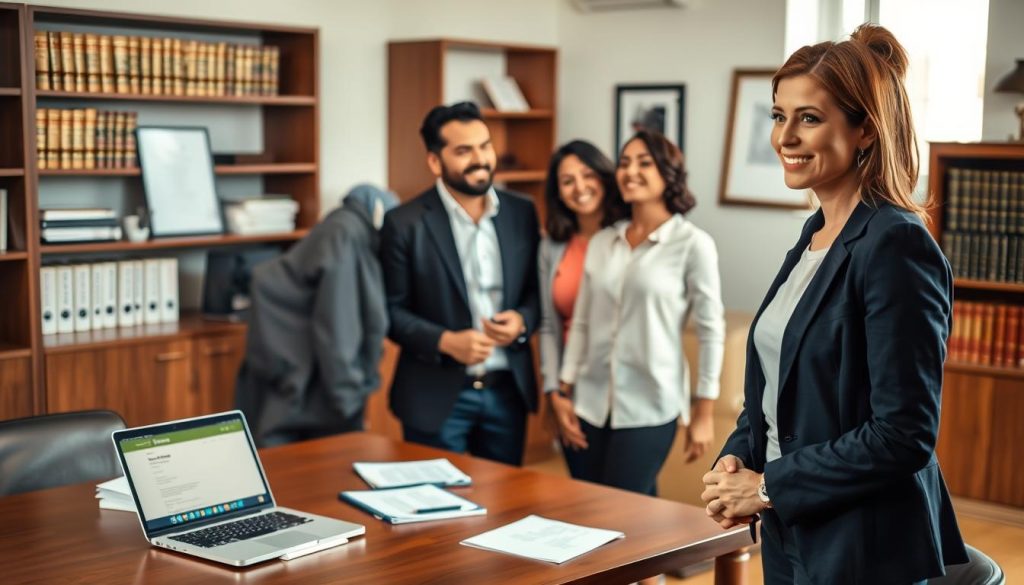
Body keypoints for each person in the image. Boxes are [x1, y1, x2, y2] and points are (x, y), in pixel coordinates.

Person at [700, 24, 968, 585]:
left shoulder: (895, 244)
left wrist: (768, 485)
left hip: (862, 546)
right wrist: (737, 461)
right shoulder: (815, 235)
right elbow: (776, 391)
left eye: (810, 118)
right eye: (779, 116)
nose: (786, 138)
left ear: (865, 130)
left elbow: (903, 435)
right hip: (788, 527)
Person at [557, 128, 725, 495]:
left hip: (651, 405)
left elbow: (712, 331)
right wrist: (563, 391)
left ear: (668, 174)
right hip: (588, 403)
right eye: (624, 162)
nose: (630, 171)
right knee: (588, 506)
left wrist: (703, 412)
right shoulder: (603, 241)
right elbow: (583, 323)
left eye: (644, 163)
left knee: (623, 507)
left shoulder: (693, 245)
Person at [380, 101, 540, 466]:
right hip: (435, 395)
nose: (480, 159)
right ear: (435, 162)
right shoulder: (403, 223)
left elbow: (534, 291)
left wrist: (522, 321)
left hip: (507, 391)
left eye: (485, 145)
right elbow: (390, 311)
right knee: (433, 513)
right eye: (464, 151)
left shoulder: (522, 212)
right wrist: (446, 342)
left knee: (506, 507)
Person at [236, 184, 398, 447]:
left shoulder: (342, 226)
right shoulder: (346, 233)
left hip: (299, 372)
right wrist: (348, 396)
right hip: (312, 384)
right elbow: (338, 323)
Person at [538, 140, 630, 470]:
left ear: (605, 177)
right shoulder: (552, 246)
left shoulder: (630, 237)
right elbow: (548, 324)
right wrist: (555, 394)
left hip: (624, 390)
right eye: (567, 181)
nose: (579, 187)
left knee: (630, 496)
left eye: (587, 174)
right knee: (587, 492)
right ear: (557, 191)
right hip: (572, 389)